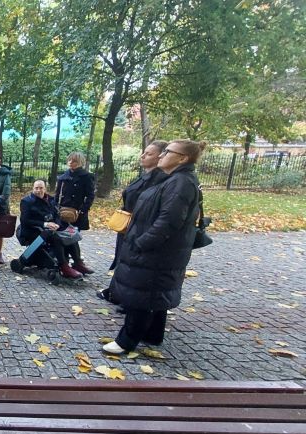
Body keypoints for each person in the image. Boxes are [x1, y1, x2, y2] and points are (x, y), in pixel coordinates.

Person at [102, 139, 205, 354]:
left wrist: (142, 243)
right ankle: (153, 334)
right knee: (154, 294)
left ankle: (126, 341)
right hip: (158, 251)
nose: (162, 155)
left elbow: (168, 221)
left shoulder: (180, 182)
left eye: (167, 152)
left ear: (182, 158)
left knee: (142, 295)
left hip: (156, 252)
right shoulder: (173, 179)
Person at [98, 141, 168, 303]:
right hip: (128, 225)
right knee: (123, 258)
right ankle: (116, 291)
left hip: (139, 227)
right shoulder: (145, 176)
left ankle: (122, 296)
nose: (143, 156)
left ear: (161, 157)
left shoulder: (159, 180)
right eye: (144, 152)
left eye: (149, 154)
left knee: (131, 261)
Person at [18, 180, 86, 279]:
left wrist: (57, 224)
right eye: (36, 188)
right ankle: (64, 266)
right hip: (32, 230)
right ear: (33, 189)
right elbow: (25, 220)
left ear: (45, 189)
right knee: (56, 238)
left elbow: (57, 215)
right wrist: (45, 224)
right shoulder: (26, 201)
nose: (38, 190)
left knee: (70, 235)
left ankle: (78, 263)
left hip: (50, 229)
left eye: (41, 188)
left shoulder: (51, 199)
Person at [55, 151, 95, 274]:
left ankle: (77, 263)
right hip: (63, 213)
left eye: (74, 161)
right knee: (64, 237)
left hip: (78, 214)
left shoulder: (86, 176)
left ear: (80, 162)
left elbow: (90, 195)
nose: (71, 163)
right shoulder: (63, 177)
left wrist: (83, 210)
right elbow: (57, 195)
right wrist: (55, 208)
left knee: (73, 237)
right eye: (70, 160)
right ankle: (67, 263)